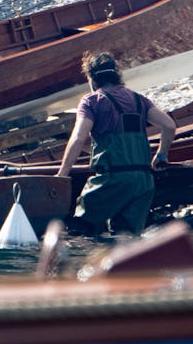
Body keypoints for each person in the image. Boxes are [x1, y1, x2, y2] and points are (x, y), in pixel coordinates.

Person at [57, 51, 176, 236]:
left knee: (79, 231)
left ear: (92, 79)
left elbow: (79, 138)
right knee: (126, 238)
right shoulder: (139, 100)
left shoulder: (92, 101)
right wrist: (161, 155)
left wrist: (62, 174)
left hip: (112, 181)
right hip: (143, 182)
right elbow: (169, 125)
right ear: (117, 75)